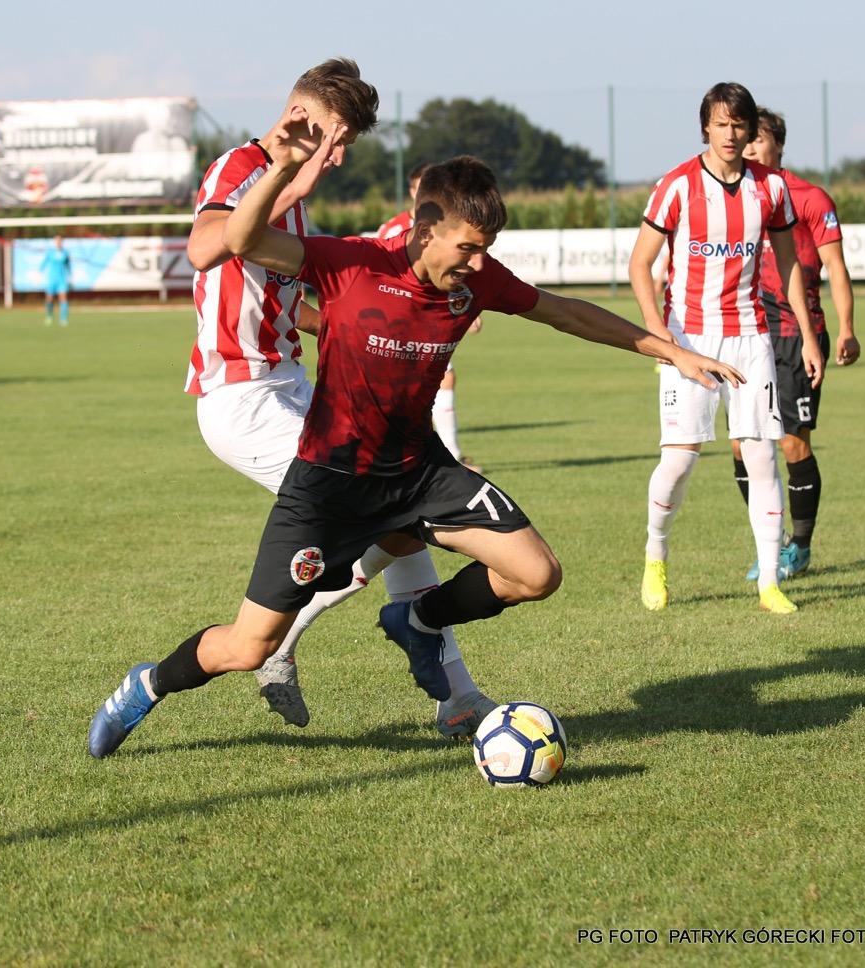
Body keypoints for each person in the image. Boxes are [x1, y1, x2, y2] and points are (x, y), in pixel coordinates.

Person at [87, 128, 744, 759]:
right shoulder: (351, 263)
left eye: (487, 248)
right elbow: (240, 239)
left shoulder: (477, 279)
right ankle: (147, 685)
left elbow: (564, 311)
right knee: (249, 647)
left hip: (420, 474)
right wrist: (285, 168)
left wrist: (670, 351)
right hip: (329, 484)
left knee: (537, 574)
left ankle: (420, 620)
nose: (479, 263)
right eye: (469, 248)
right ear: (426, 230)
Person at [183, 59, 494, 739]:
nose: (341, 155)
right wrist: (288, 172)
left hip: (290, 386)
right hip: (243, 398)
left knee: (402, 520)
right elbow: (205, 250)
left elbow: (280, 307)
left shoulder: (292, 190)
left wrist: (349, 325)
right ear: (301, 118)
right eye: (337, 138)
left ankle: (457, 698)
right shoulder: (242, 167)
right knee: (395, 510)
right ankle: (436, 689)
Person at [628, 81, 825, 616]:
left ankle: (769, 582)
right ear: (706, 128)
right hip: (689, 339)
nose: (731, 134)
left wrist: (808, 336)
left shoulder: (771, 188)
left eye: (740, 124)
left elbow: (789, 266)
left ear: (750, 129)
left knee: (761, 455)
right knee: (679, 462)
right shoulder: (677, 186)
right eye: (721, 124)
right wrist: (657, 332)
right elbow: (640, 263)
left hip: (751, 337)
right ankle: (656, 555)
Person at [734, 106, 861, 581]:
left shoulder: (809, 197)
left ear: (779, 145)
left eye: (757, 138)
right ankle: (770, 541)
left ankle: (799, 547)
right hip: (746, 333)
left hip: (794, 336)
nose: (748, 146)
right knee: (741, 446)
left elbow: (837, 269)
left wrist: (846, 329)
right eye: (745, 137)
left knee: (792, 443)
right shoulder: (737, 197)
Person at [378, 163, 481, 471]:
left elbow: (458, 271)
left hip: (431, 320)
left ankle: (450, 456)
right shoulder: (393, 229)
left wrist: (467, 306)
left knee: (442, 379)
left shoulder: (450, 227)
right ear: (413, 192)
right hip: (397, 321)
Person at [42, 235, 71, 326]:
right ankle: (49, 316)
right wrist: (39, 272)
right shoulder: (50, 253)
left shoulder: (65, 253)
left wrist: (71, 276)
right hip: (52, 279)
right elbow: (44, 263)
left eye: (60, 241)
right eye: (57, 241)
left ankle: (63, 319)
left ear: (62, 242)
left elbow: (68, 266)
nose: (58, 243)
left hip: (62, 279)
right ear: (54, 242)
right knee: (49, 299)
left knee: (63, 298)